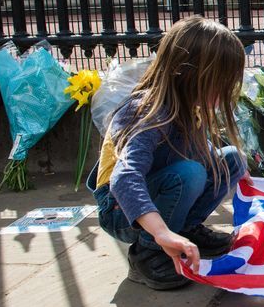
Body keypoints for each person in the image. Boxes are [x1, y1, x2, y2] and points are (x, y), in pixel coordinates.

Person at [88, 16, 248, 290]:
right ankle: (149, 252)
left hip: (157, 187)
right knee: (189, 174)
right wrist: (160, 233)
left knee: (231, 159)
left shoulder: (187, 105)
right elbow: (125, 178)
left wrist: (248, 182)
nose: (226, 89)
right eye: (220, 80)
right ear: (190, 73)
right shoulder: (147, 111)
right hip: (119, 208)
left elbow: (202, 151)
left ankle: (185, 231)